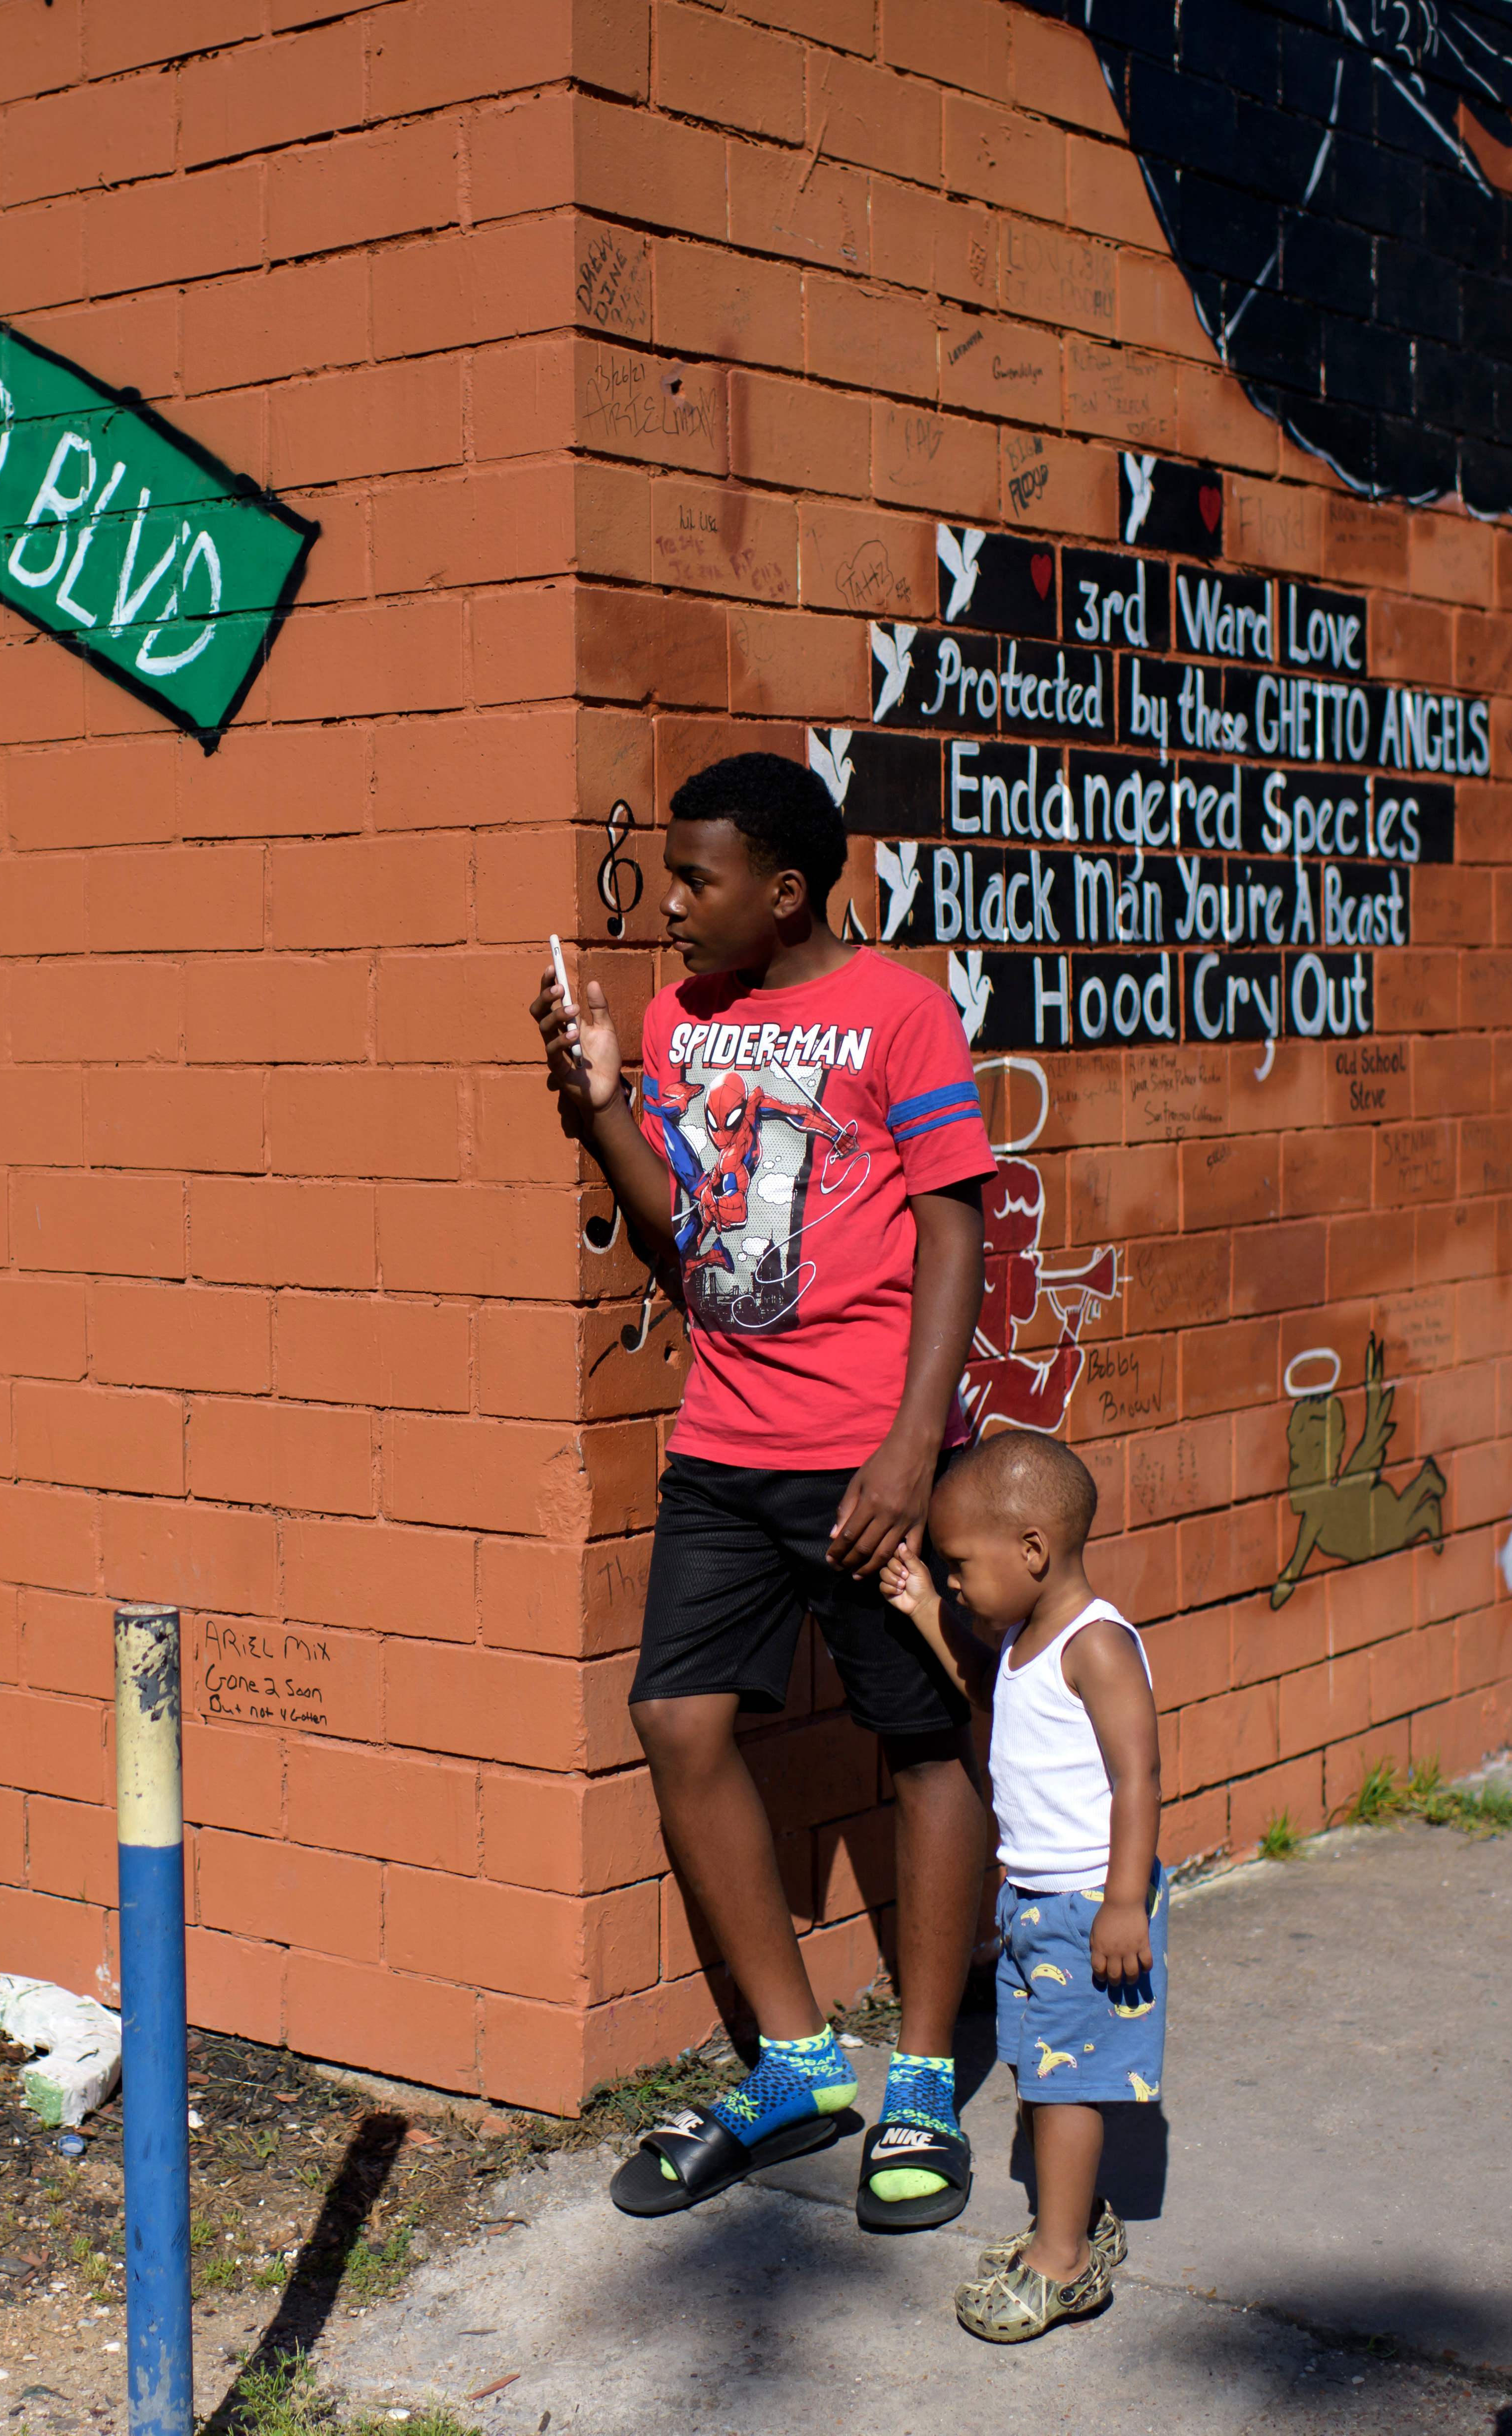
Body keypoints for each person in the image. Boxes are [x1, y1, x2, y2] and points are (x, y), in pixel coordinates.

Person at [529, 751, 996, 2233]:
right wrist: (604, 1100)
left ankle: (919, 2077)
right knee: (677, 1717)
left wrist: (913, 1452)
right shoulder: (677, 1021)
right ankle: (798, 2068)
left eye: (696, 881)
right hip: (727, 1446)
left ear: (783, 893)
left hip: (873, 1453)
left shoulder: (902, 1014)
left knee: (922, 1742)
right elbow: (688, 1236)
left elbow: (953, 1231)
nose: (670, 907)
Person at [884, 1430, 1164, 2344]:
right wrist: (928, 1607)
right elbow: (978, 1680)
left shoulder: (1098, 1645)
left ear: (1034, 1550)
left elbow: (1138, 1778)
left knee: (1066, 2084)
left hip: (1089, 1905)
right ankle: (1074, 2223)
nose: (954, 1578)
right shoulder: (1022, 1640)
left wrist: (1125, 1900)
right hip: (1035, 1903)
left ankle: (1064, 2262)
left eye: (960, 1563)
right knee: (1042, 2069)